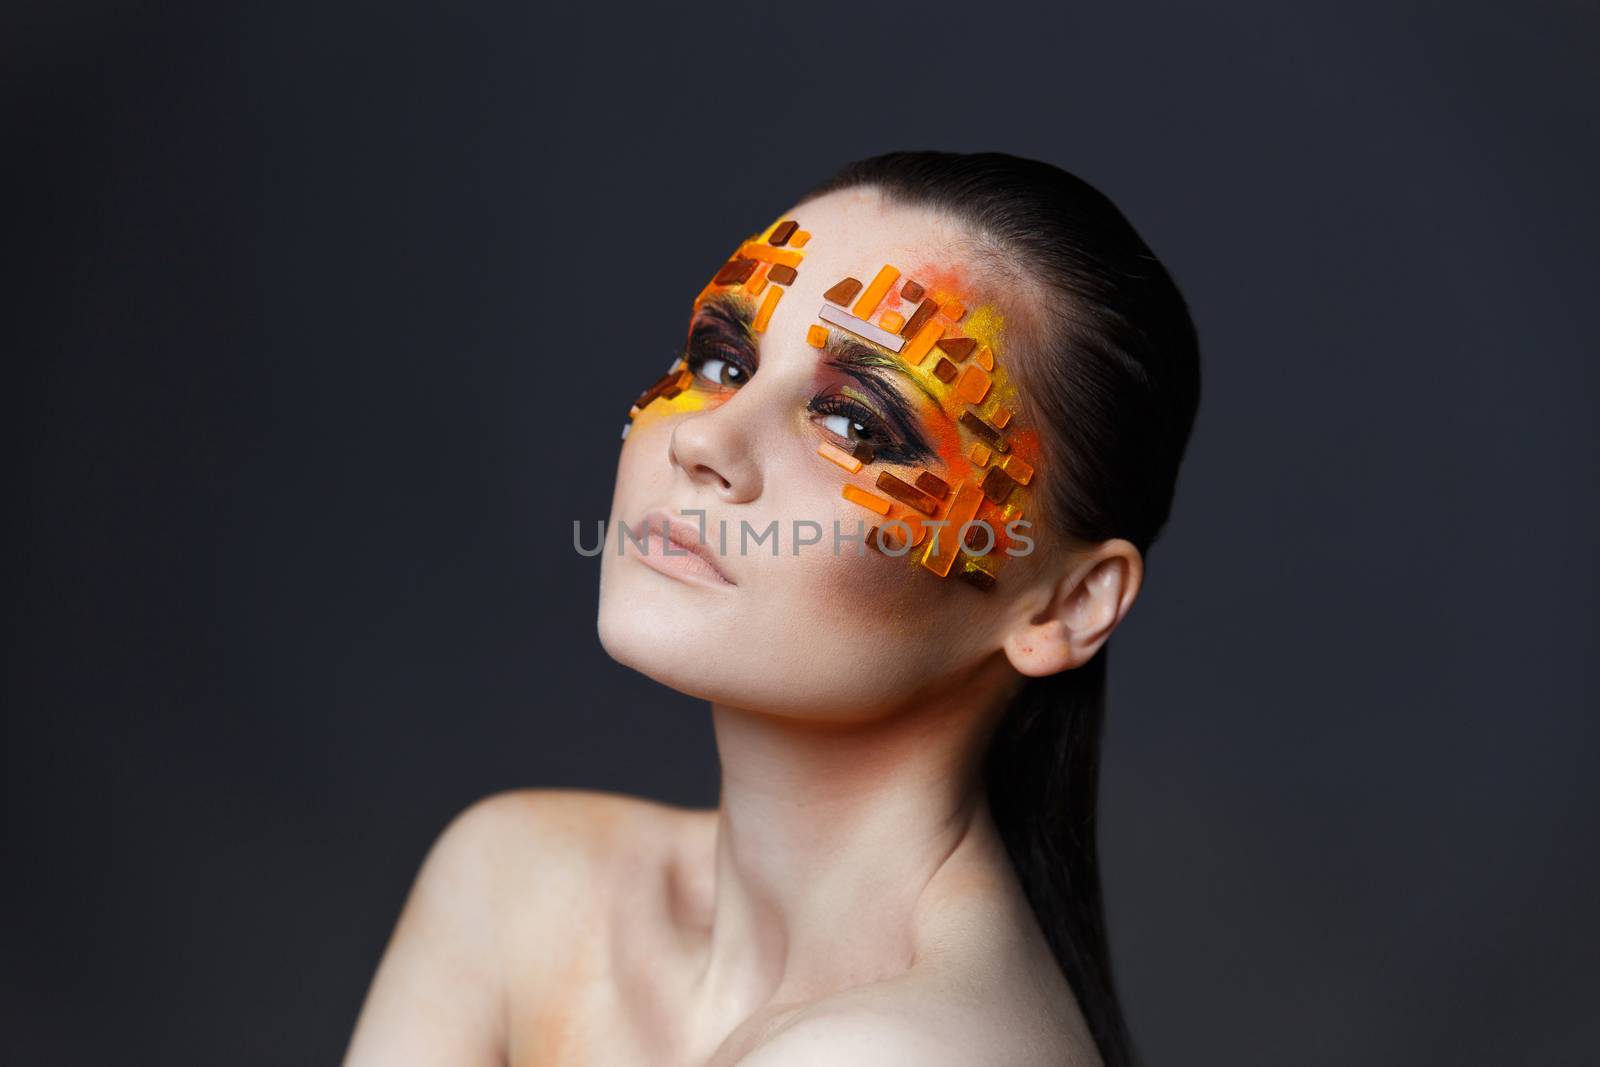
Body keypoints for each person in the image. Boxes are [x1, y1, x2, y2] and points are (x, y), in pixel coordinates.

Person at [343, 150, 1202, 1067]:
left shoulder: (898, 1053)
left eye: (856, 423)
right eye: (721, 359)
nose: (705, 439)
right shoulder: (517, 881)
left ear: (1067, 606)